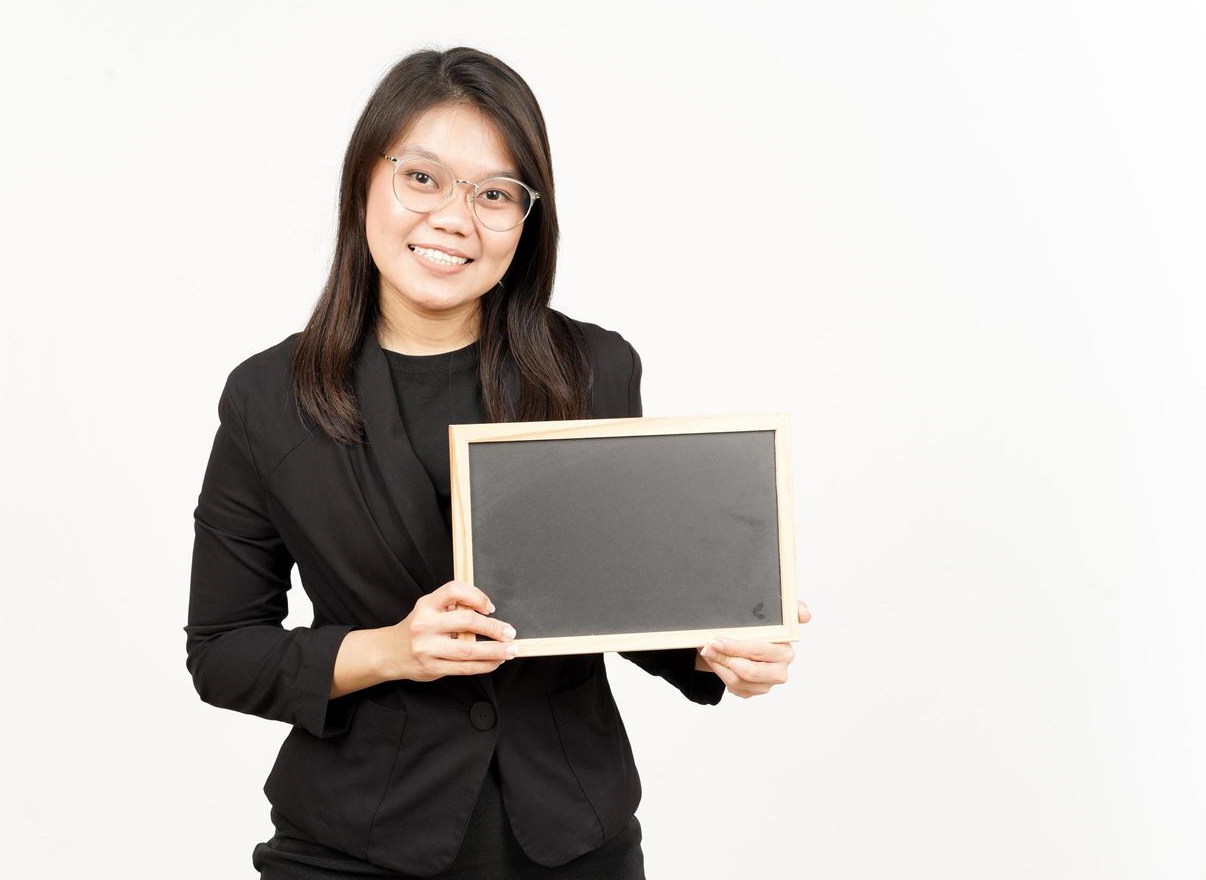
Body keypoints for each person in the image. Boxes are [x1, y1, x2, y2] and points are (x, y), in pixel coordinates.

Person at [183, 46, 812, 879]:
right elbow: (223, 649)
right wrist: (392, 650)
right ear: (366, 181)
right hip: (352, 847)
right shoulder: (270, 397)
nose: (455, 218)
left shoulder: (594, 369)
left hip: (570, 842)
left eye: (495, 194)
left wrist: (718, 648)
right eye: (423, 178)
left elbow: (611, 592)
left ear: (527, 218)